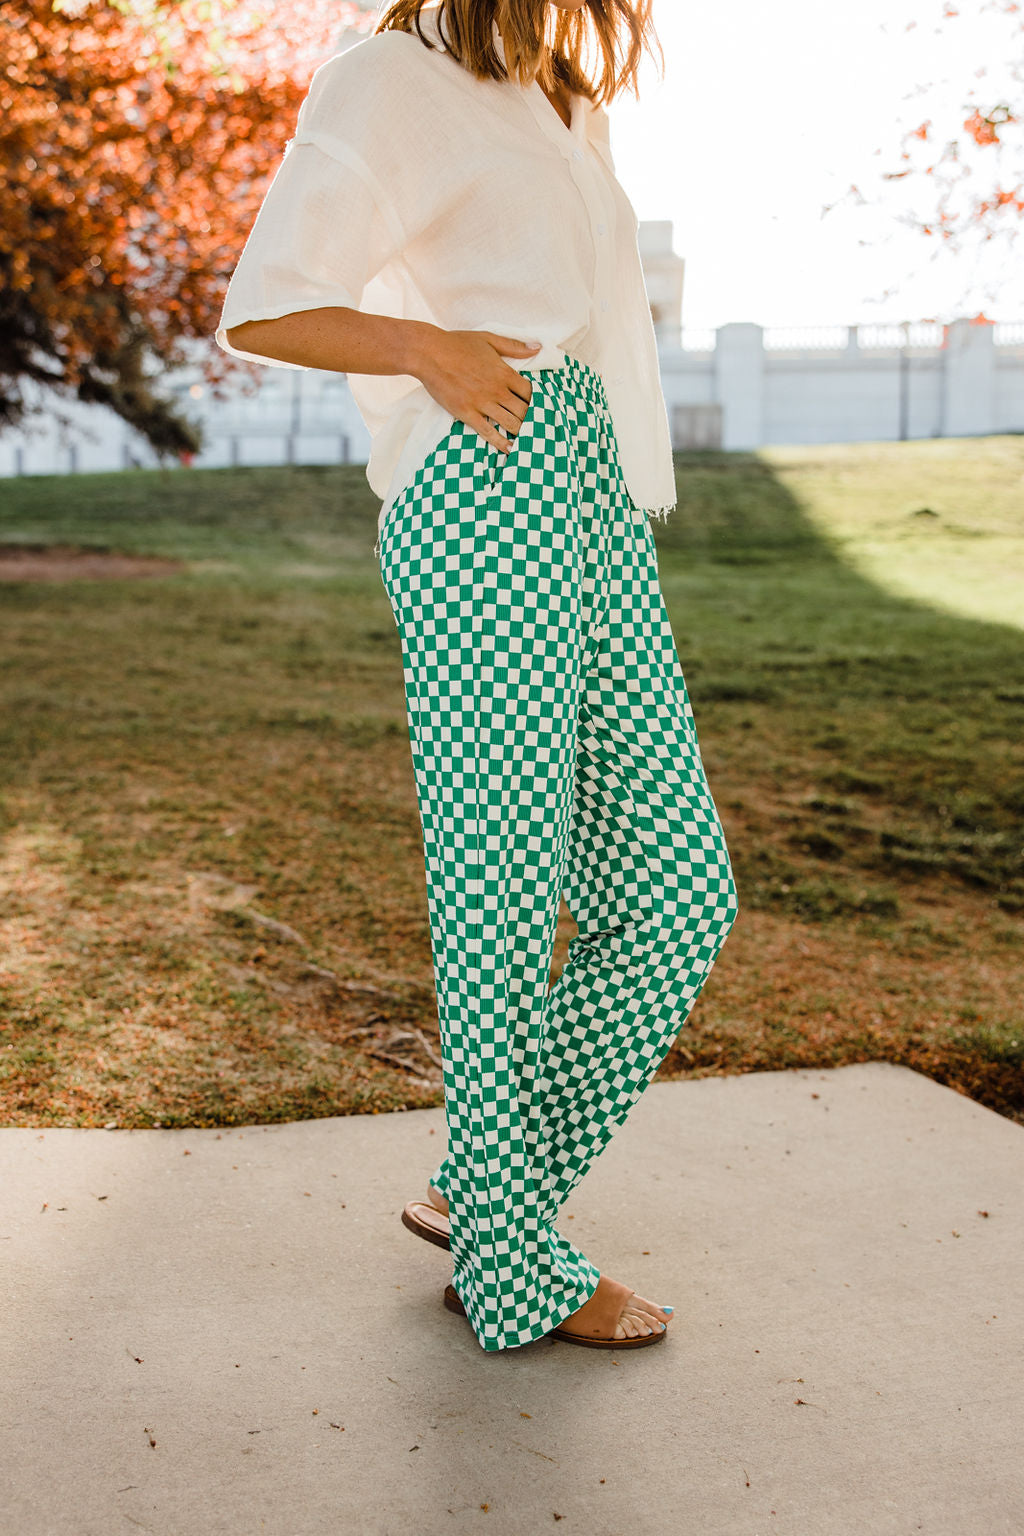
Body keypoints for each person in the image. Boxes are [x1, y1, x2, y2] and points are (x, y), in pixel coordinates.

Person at [215, 0, 738, 1353]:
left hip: (591, 490)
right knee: (500, 890)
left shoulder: (564, 97)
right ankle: (512, 1259)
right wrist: (418, 348)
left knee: (681, 889)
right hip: (484, 488)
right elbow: (262, 305)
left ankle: (484, 1190)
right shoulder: (387, 77)